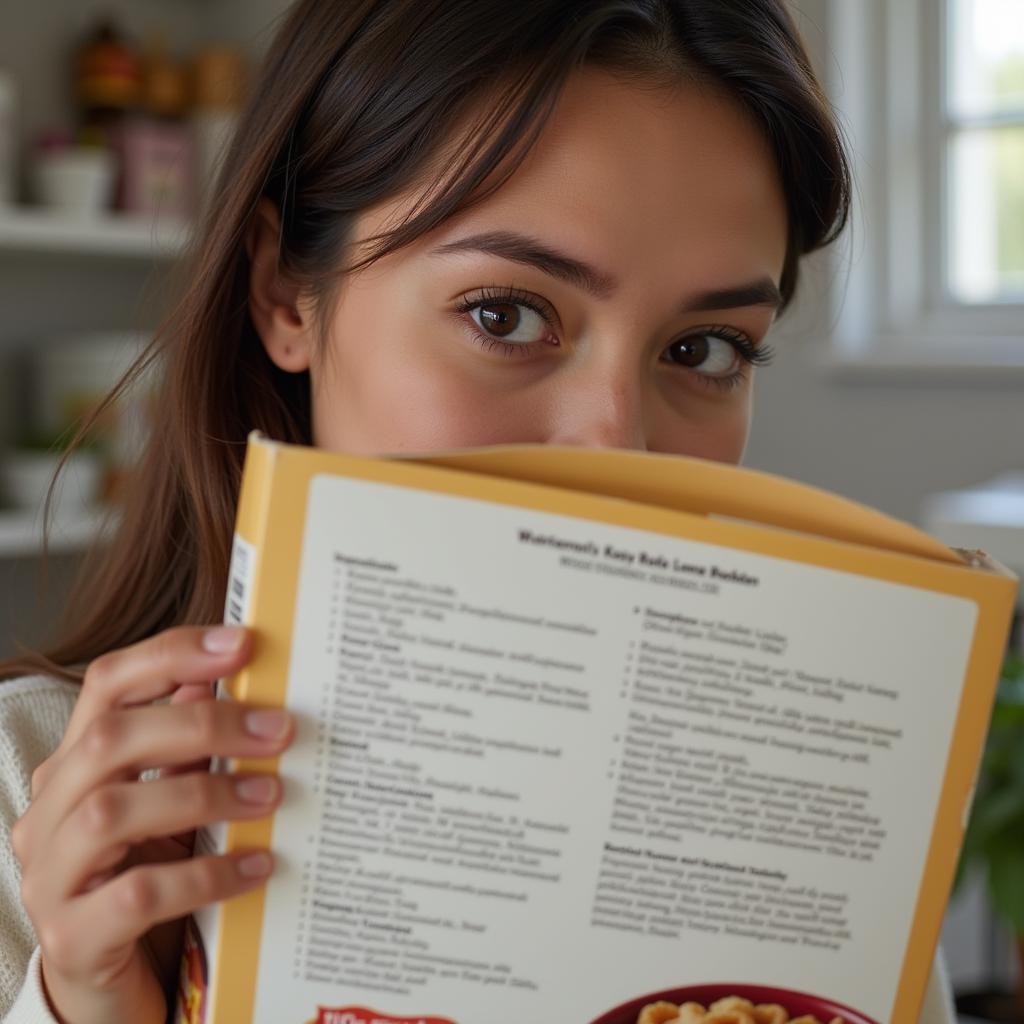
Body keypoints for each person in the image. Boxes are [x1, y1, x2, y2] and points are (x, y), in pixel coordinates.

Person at [0, 1, 956, 1021]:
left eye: (704, 349)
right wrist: (86, 1003)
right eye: (504, 314)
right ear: (286, 294)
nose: (615, 447)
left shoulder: (808, 824)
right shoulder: (35, 793)